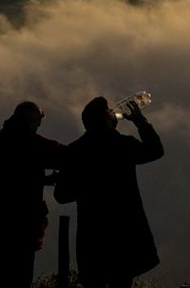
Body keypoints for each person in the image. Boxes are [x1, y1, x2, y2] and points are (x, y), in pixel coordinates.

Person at [55, 97, 164, 288]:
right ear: (105, 119)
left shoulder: (75, 151)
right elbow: (155, 151)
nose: (113, 113)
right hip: (123, 236)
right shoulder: (122, 145)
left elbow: (61, 195)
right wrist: (140, 121)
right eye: (108, 111)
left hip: (92, 238)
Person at [0, 101, 66, 288]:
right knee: (20, 279)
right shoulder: (29, 142)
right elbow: (63, 155)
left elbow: (10, 181)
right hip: (21, 229)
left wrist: (43, 181)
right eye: (37, 122)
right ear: (30, 121)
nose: (38, 127)